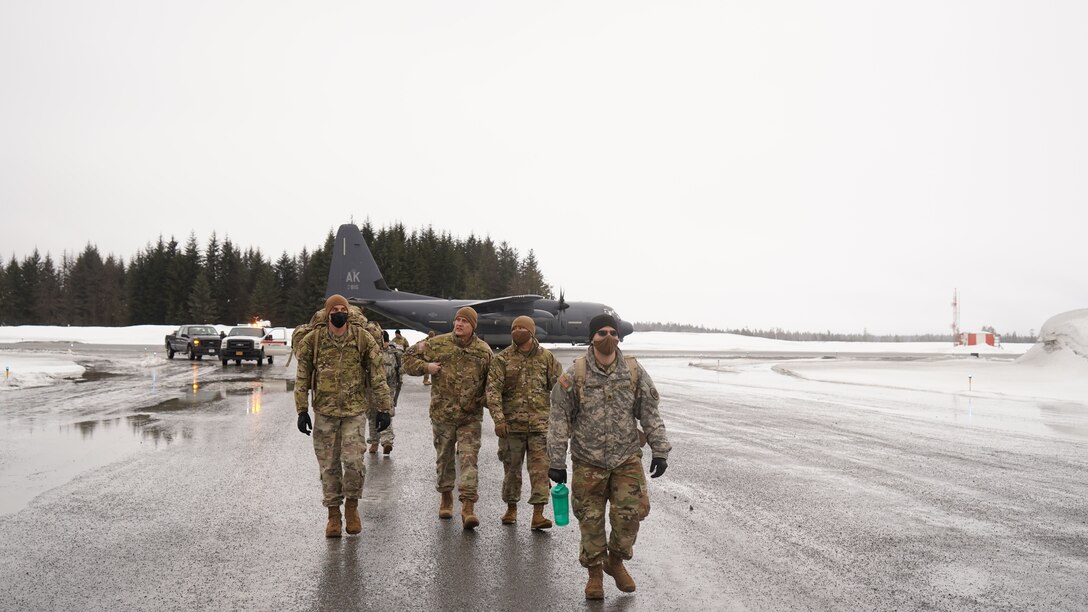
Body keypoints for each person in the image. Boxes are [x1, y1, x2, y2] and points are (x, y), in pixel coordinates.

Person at [548, 314, 671, 600]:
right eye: (601, 332)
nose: (608, 337)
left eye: (613, 332)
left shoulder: (633, 370)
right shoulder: (575, 373)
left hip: (626, 458)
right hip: (587, 461)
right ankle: (594, 576)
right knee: (590, 520)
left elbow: (650, 412)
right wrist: (556, 461)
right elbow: (559, 419)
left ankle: (614, 561)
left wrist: (660, 449)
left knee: (630, 515)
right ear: (592, 337)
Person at [295, 294, 393, 538]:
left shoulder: (362, 338)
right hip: (324, 413)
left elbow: (378, 375)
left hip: (354, 411)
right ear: (327, 314)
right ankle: (333, 515)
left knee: (353, 462)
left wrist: (384, 408)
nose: (339, 312)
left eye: (343, 308)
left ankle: (351, 508)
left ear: (348, 312)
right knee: (328, 466)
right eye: (334, 309)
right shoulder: (313, 340)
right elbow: (302, 377)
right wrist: (301, 410)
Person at [403, 307, 493, 529]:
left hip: (470, 417)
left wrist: (486, 402)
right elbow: (407, 359)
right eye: (457, 320)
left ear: (473, 326)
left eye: (464, 321)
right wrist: (426, 366)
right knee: (444, 459)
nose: (459, 324)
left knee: (469, 459)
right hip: (442, 414)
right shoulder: (437, 344)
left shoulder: (483, 351)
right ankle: (446, 498)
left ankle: (468, 506)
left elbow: (493, 383)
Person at [486, 315, 562, 530]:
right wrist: (499, 420)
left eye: (521, 327)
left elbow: (559, 388)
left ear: (531, 331)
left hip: (540, 427)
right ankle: (511, 509)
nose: (517, 331)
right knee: (511, 471)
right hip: (511, 428)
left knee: (540, 471)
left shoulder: (546, 358)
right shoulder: (502, 359)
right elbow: (493, 392)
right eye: (514, 327)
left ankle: (538, 515)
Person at [366, 327, 401, 455]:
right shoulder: (372, 352)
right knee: (371, 415)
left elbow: (397, 373)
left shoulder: (392, 354)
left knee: (386, 414)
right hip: (371, 390)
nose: (384, 344)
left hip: (387, 389)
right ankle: (374, 442)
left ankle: (387, 441)